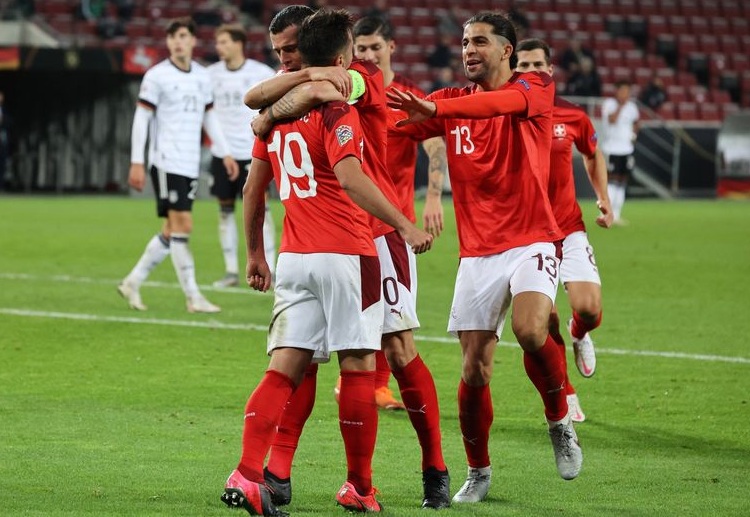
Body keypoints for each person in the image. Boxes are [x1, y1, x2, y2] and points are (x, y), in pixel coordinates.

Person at [220, 9, 433, 516]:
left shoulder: (287, 106)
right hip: (348, 250)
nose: (282, 60)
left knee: (283, 369)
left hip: (295, 255)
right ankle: (359, 486)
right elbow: (352, 177)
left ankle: (247, 473)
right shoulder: (339, 103)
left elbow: (255, 167)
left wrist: (268, 117)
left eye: (288, 50)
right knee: (359, 365)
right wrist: (404, 225)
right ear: (343, 54)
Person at [387, 10, 583, 503]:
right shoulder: (449, 101)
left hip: (533, 237)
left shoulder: (534, 88)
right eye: (464, 42)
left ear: (506, 50)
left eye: (479, 41)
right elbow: (393, 125)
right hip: (477, 252)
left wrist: (435, 111)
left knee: (531, 330)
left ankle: (559, 419)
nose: (468, 50)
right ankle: (478, 470)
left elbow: (498, 104)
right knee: (475, 369)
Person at [516, 37, 614, 422]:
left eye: (537, 65)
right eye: (523, 66)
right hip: (526, 233)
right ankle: (566, 391)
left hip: (568, 226)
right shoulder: (503, 112)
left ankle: (580, 333)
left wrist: (603, 198)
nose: (530, 72)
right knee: (545, 319)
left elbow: (592, 154)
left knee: (588, 308)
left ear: (550, 70)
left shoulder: (572, 115)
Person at [117, 17, 238, 313]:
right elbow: (142, 118)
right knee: (184, 224)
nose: (177, 42)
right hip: (166, 161)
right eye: (172, 37)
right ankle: (193, 297)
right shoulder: (156, 76)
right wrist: (137, 161)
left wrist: (225, 152)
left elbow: (209, 117)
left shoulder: (202, 76)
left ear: (193, 40)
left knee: (172, 229)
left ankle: (132, 282)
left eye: (182, 36)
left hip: (189, 162)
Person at [208, 24, 276, 288]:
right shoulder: (210, 75)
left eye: (224, 42)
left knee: (261, 209)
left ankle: (272, 267)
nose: (219, 47)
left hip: (253, 152)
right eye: (218, 43)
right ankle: (231, 271)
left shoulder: (260, 73)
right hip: (222, 153)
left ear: (239, 43)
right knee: (225, 211)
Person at [601, 79, 640, 225]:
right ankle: (605, 213)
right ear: (616, 91)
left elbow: (636, 122)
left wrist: (634, 135)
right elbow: (612, 120)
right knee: (611, 181)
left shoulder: (632, 107)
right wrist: (620, 106)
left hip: (627, 149)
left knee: (622, 181)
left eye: (627, 91)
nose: (625, 94)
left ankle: (616, 214)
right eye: (622, 91)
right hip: (612, 149)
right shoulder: (609, 104)